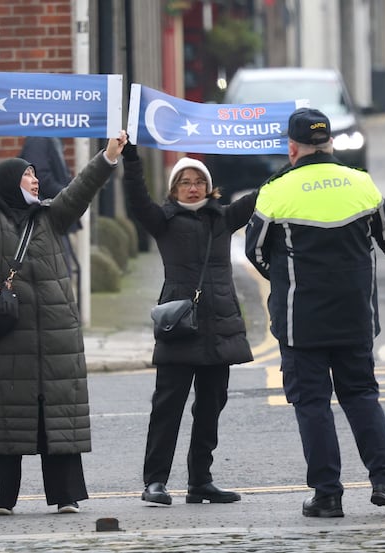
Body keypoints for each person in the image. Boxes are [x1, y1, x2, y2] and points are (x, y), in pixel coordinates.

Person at [0, 124, 127, 515]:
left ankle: (65, 495)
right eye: (28, 175)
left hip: (55, 338)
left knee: (56, 419)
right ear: (8, 183)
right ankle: (6, 497)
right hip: (6, 336)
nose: (35, 180)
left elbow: (81, 190)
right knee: (7, 417)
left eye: (34, 174)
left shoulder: (52, 216)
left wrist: (108, 156)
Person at [245, 107, 385, 518]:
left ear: (293, 148)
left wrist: (288, 278)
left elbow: (255, 253)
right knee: (362, 396)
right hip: (354, 316)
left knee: (312, 404)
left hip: (300, 318)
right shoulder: (361, 184)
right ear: (329, 144)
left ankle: (327, 495)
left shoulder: (276, 191)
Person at [121, 144, 255, 507]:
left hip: (219, 327)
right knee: (168, 407)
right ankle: (155, 482)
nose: (192, 188)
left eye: (198, 181)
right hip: (180, 326)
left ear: (209, 187)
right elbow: (135, 198)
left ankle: (201, 481)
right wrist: (131, 160)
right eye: (184, 182)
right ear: (174, 189)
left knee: (211, 407)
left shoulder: (223, 217)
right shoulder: (162, 220)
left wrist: (294, 165)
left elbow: (264, 195)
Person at [19, 136, 80, 277]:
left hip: (54, 218)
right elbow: (41, 178)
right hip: (47, 220)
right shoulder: (39, 139)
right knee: (60, 274)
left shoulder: (50, 138)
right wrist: (70, 195)